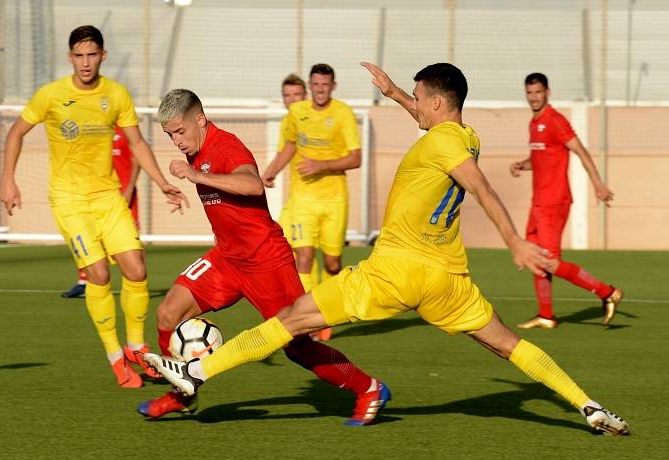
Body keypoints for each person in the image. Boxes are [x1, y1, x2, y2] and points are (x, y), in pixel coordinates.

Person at [143, 63, 630, 436]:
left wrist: (515, 242)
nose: (413, 105)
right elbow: (442, 136)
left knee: (290, 321)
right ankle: (589, 405)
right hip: (448, 280)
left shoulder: (444, 147)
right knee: (508, 345)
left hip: (394, 272)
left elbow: (482, 188)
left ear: (437, 105)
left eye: (418, 99)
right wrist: (395, 92)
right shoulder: (464, 137)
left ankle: (195, 372)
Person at [137, 88, 383, 424]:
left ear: (200, 119)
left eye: (180, 131)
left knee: (299, 347)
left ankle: (368, 388)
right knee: (167, 313)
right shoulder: (196, 149)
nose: (178, 141)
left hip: (266, 259)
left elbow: (252, 185)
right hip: (227, 259)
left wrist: (197, 175)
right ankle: (182, 393)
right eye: (170, 135)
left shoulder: (226, 145)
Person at [0, 25, 188, 388]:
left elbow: (137, 142)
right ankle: (115, 357)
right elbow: (15, 133)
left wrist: (162, 182)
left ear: (103, 56)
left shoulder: (116, 94)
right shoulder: (51, 95)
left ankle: (136, 347)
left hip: (108, 198)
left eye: (92, 55)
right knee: (99, 274)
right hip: (70, 201)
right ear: (70, 58)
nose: (85, 62)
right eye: (79, 55)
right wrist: (8, 180)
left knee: (136, 267)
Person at [510, 73, 623, 329]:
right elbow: (539, 159)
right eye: (530, 93)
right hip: (537, 202)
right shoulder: (534, 123)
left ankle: (607, 292)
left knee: (549, 261)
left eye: (538, 92)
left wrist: (598, 184)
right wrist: (522, 165)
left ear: (547, 92)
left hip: (554, 202)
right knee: (536, 259)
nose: (534, 97)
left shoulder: (556, 121)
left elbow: (581, 152)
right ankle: (546, 316)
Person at [262, 64, 363, 341]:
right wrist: (271, 170)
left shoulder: (342, 114)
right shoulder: (298, 113)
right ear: (311, 85)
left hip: (334, 200)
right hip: (304, 198)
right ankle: (306, 320)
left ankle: (329, 312)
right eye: (316, 84)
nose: (320, 90)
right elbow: (291, 146)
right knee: (303, 258)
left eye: (325, 85)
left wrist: (321, 164)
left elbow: (356, 158)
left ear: (333, 85)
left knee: (332, 263)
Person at [266, 73, 328, 341]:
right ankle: (306, 313)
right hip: (297, 200)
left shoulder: (316, 121)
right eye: (287, 96)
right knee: (287, 253)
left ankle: (315, 318)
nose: (291, 100)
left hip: (320, 201)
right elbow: (287, 150)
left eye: (296, 95)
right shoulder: (289, 123)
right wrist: (271, 171)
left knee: (313, 258)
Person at [62, 125, 140, 299]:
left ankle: (134, 286)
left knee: (130, 245)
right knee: (89, 235)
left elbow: (137, 160)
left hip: (124, 193)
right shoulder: (93, 126)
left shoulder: (126, 129)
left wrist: (128, 190)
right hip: (98, 195)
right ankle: (84, 282)